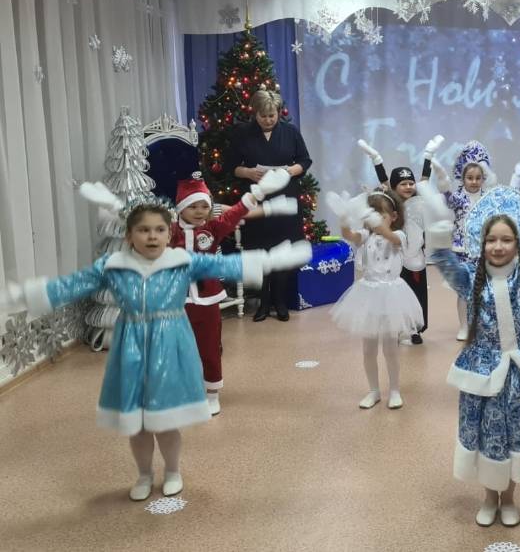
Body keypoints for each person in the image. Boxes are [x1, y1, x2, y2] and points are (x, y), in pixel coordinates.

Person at [0, 189, 311, 501]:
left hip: (170, 344)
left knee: (165, 419)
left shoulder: (182, 261)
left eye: (160, 229)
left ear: (168, 233)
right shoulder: (114, 266)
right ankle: (144, 474)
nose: (152, 236)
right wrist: (24, 295)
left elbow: (225, 265)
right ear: (129, 235)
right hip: (131, 348)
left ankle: (172, 471)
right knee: (138, 423)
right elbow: (71, 285)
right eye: (143, 230)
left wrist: (270, 260)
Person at [421, 166, 520, 527]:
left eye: (506, 240)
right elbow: (444, 260)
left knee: (513, 437)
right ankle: (489, 497)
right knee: (488, 437)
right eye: (491, 239)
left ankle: (509, 498)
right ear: (482, 242)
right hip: (483, 374)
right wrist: (440, 225)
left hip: (517, 377)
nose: (498, 246)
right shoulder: (470, 279)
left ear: (517, 241)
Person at [171, 169, 295, 415]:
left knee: (209, 347)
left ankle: (212, 393)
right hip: (176, 301)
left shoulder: (212, 228)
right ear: (181, 208)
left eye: (204, 206)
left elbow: (235, 213)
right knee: (179, 348)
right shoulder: (169, 230)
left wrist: (257, 194)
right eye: (192, 206)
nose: (199, 211)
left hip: (207, 300)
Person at [327, 190, 423, 410]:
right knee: (368, 349)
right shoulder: (366, 236)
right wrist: (344, 217)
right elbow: (349, 235)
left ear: (394, 217)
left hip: (391, 295)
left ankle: (395, 390)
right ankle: (373, 390)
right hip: (368, 295)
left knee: (390, 348)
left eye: (381, 214)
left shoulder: (399, 236)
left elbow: (388, 235)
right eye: (371, 214)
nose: (374, 220)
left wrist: (375, 221)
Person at [226, 88, 312, 322]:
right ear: (254, 114)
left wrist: (289, 171)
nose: (268, 120)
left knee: (283, 249)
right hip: (257, 196)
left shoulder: (290, 132)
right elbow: (230, 165)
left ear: (278, 112)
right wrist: (247, 172)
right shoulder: (242, 133)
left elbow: (305, 160)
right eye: (263, 116)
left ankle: (280, 302)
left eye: (272, 115)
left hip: (285, 196)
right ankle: (264, 303)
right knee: (259, 248)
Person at [356, 134, 444, 344]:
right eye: (403, 183)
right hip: (395, 257)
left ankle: (414, 329)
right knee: (395, 296)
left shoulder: (419, 200)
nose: (408, 186)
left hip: (416, 258)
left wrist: (429, 155)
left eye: (410, 183)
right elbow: (384, 182)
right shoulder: (391, 204)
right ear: (394, 187)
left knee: (417, 294)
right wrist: (376, 159)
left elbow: (425, 179)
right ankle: (396, 328)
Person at [431, 140, 497, 341]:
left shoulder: (489, 198)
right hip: (462, 251)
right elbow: (448, 197)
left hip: (484, 251)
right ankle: (464, 327)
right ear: (462, 177)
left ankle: (481, 325)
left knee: (484, 291)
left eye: (478, 178)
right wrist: (442, 180)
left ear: (484, 178)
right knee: (463, 291)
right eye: (470, 178)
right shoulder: (459, 197)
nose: (474, 182)